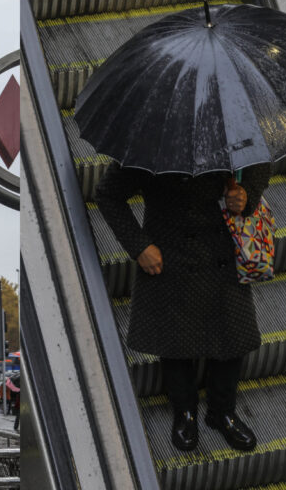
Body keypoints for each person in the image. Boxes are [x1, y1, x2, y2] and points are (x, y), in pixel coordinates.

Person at [95, 162, 271, 452]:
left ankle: (223, 412)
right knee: (175, 339)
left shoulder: (229, 127)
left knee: (232, 333)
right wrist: (139, 246)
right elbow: (107, 194)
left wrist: (245, 194)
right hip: (169, 251)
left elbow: (260, 161)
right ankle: (184, 412)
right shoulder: (151, 135)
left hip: (222, 247)